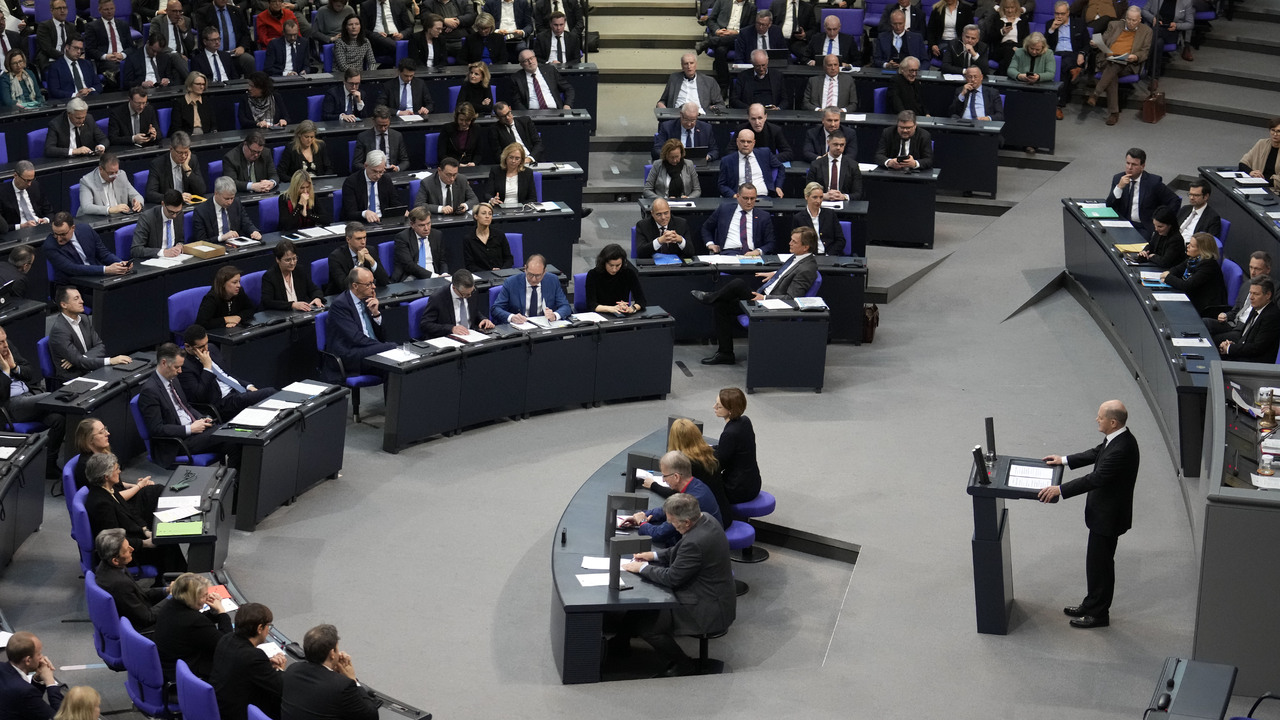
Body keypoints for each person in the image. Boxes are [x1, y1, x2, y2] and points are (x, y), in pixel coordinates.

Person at [1037, 400, 1140, 629]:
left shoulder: (1122, 448)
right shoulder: (1117, 438)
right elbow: (1096, 453)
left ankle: (1098, 614)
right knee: (1095, 563)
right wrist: (1064, 460)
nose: (1097, 419)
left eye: (1100, 417)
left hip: (1109, 518)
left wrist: (1060, 490)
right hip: (1102, 515)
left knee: (1101, 566)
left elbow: (1096, 478)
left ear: (1112, 422)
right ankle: (1091, 603)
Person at [619, 493, 736, 677]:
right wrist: (654, 556)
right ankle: (620, 644)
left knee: (649, 628)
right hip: (711, 592)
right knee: (641, 606)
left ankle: (683, 665)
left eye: (673, 522)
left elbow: (671, 578)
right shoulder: (706, 519)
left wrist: (641, 568)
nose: (672, 525)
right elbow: (680, 550)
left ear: (687, 522)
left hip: (706, 605)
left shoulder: (695, 541)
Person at [693, 227, 818, 364]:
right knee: (721, 306)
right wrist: (777, 275)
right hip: (764, 297)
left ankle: (709, 298)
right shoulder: (798, 257)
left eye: (794, 241)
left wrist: (763, 298)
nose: (789, 243)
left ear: (806, 247)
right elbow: (790, 272)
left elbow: (791, 299)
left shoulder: (807, 268)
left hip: (770, 307)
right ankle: (725, 354)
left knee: (738, 284)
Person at [83, 452, 184, 574]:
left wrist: (145, 530)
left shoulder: (109, 489)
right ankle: (175, 581)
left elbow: (131, 512)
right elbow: (114, 541)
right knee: (168, 545)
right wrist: (144, 543)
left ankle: (173, 579)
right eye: (116, 469)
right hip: (126, 552)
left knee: (167, 539)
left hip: (133, 537)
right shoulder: (101, 504)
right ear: (106, 476)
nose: (119, 472)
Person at [137, 344, 235, 467]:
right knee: (229, 434)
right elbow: (156, 429)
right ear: (163, 363)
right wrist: (190, 429)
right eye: (176, 367)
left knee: (234, 444)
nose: (180, 371)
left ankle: (235, 482)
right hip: (178, 442)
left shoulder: (173, 379)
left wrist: (201, 418)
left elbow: (186, 406)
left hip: (194, 432)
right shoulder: (150, 391)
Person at [0, 326, 66, 478]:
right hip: (10, 406)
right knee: (51, 397)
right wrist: (5, 372)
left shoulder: (8, 348)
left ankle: (48, 465)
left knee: (58, 420)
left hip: (29, 398)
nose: (5, 345)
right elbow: (1, 395)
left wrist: (15, 367)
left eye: (5, 339)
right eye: (1, 342)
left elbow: (30, 372)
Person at [623, 450, 724, 548]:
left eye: (664, 476)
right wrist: (645, 514)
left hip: (701, 551)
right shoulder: (695, 484)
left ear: (676, 477)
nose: (663, 479)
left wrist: (642, 522)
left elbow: (659, 534)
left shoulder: (689, 501)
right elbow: (667, 510)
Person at [281, 624, 379, 720]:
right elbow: (371, 716)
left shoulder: (292, 669)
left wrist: (333, 674)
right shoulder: (343, 686)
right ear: (332, 654)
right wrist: (353, 679)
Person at [210, 603, 285, 720]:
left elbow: (244, 668)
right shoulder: (253, 656)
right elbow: (280, 688)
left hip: (219, 707)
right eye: (268, 626)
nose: (268, 630)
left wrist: (266, 665)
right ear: (260, 628)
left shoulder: (226, 639)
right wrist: (279, 669)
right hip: (237, 714)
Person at [154, 572, 233, 680]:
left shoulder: (171, 604)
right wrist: (222, 613)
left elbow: (199, 626)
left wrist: (213, 612)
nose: (206, 598)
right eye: (204, 595)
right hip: (184, 670)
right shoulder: (194, 620)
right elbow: (226, 645)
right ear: (191, 597)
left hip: (167, 662)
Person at [48, 286, 133, 383]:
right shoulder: (59, 330)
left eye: (80, 297)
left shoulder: (84, 319)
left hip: (90, 369)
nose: (82, 301)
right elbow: (79, 362)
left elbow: (100, 346)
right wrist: (110, 361)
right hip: (73, 379)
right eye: (76, 299)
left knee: (124, 379)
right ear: (64, 305)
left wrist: (80, 358)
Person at [325, 267, 396, 375]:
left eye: (373, 282)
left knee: (393, 370)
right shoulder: (340, 305)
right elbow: (356, 339)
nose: (374, 287)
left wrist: (375, 314)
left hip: (368, 349)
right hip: (351, 353)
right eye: (369, 284)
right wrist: (380, 346)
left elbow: (383, 337)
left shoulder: (368, 300)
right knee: (392, 348)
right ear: (355, 286)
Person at [93, 528, 168, 631]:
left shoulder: (110, 565)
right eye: (126, 549)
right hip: (143, 630)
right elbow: (148, 618)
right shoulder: (119, 583)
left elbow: (139, 593)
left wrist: (166, 591)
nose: (132, 549)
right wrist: (173, 597)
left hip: (140, 613)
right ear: (115, 560)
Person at [1088, 6, 1150, 126]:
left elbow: (1145, 52)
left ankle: (1096, 94)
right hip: (1107, 59)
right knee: (1113, 67)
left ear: (1140, 19)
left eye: (1134, 20)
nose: (1130, 22)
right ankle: (1113, 113)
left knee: (1114, 66)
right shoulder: (1114, 25)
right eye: (1128, 19)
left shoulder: (1147, 31)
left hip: (1128, 63)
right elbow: (1104, 39)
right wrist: (1096, 43)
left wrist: (1135, 57)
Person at [1106, 148, 1179, 238]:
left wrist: (1164, 220)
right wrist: (1119, 187)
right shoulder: (1118, 179)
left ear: (1142, 166)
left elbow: (1174, 200)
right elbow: (1109, 205)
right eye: (1128, 163)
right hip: (1123, 224)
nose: (1129, 167)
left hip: (1144, 227)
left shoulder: (1153, 182)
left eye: (1134, 164)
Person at [43, 213, 130, 284]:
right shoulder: (50, 246)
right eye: (55, 234)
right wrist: (106, 270)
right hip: (71, 285)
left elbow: (103, 253)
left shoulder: (85, 230)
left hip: (96, 277)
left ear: (72, 228)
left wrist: (120, 263)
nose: (59, 238)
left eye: (63, 234)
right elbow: (72, 269)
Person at [711, 387, 762, 501]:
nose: (714, 407)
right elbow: (732, 449)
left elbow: (718, 466)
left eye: (718, 406)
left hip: (737, 489)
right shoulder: (745, 421)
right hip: (753, 483)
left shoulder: (729, 434)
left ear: (730, 410)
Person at [0, 632, 66, 719]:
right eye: (39, 654)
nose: (42, 658)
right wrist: (50, 683)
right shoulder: (24, 691)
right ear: (28, 660)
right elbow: (60, 717)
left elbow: (27, 702)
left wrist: (37, 679)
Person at [491, 254, 571, 324]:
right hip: (520, 329)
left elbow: (565, 306)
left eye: (538, 276)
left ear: (544, 272)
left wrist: (554, 315)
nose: (533, 279)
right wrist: (512, 317)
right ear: (525, 269)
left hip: (544, 328)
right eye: (530, 274)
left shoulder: (552, 280)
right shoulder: (511, 282)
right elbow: (496, 309)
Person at [1206, 251, 1270, 337]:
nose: (1253, 272)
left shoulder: (1273, 290)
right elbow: (1236, 310)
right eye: (1251, 267)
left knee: (1214, 340)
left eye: (1257, 269)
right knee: (1205, 323)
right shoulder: (1247, 284)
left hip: (1246, 330)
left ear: (1268, 270)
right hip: (1234, 324)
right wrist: (1226, 315)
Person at [1161, 233, 1225, 317]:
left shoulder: (1208, 265)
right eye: (1189, 244)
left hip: (1204, 307)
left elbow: (1186, 285)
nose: (1187, 247)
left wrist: (1168, 277)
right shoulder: (1193, 259)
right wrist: (1169, 274)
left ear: (1202, 250)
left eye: (1192, 246)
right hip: (1193, 296)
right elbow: (1176, 270)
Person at [1216, 277, 1280, 362]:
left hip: (1254, 364)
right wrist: (1231, 345)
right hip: (1246, 356)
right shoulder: (1256, 308)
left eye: (1256, 294)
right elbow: (1245, 338)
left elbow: (1257, 348)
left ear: (1268, 295)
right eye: (1250, 293)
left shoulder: (1271, 316)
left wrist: (1230, 348)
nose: (1251, 298)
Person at [701, 183, 775, 256]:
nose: (749, 202)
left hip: (752, 255)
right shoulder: (724, 209)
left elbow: (770, 243)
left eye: (752, 198)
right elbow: (706, 228)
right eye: (745, 198)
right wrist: (710, 244)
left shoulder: (763, 216)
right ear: (738, 196)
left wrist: (758, 251)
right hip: (729, 253)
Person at [418, 269, 495, 338]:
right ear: (454, 288)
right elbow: (426, 324)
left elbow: (473, 311)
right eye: (466, 294)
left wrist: (483, 319)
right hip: (449, 338)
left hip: (471, 336)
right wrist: (451, 328)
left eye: (471, 292)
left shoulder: (472, 291)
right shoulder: (438, 298)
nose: (470, 296)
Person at [1046, 1, 1087, 120]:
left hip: (1073, 54)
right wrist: (1052, 29)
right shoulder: (1050, 24)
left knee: (1063, 66)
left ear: (1068, 13)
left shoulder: (1079, 24)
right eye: (1057, 13)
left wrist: (1082, 53)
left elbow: (1086, 44)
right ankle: (1074, 70)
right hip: (1057, 54)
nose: (1059, 16)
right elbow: (1044, 44)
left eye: (1062, 14)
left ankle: (1058, 105)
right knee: (1063, 66)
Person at [195, 0, 256, 77]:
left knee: (248, 60)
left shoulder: (236, 11)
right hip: (216, 54)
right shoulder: (204, 12)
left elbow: (245, 33)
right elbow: (203, 36)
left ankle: (251, 87)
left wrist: (242, 47)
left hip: (235, 53)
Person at [718, 129, 783, 198]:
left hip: (763, 197)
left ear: (754, 143)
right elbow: (722, 185)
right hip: (740, 198)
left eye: (749, 142)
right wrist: (733, 195)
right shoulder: (727, 160)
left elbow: (781, 167)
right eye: (742, 141)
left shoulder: (765, 153)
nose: (745, 144)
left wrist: (778, 186)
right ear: (737, 142)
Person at [194, 177, 263, 243]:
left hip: (236, 245)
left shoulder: (236, 203)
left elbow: (246, 223)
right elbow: (201, 241)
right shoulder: (201, 211)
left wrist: (254, 231)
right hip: (215, 247)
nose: (230, 202)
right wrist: (222, 237)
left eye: (232, 198)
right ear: (216, 193)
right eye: (226, 199)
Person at [262, 240, 325, 312]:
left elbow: (314, 289)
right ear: (278, 260)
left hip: (302, 313)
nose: (292, 263)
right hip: (283, 314)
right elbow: (267, 302)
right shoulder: (270, 276)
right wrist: (292, 305)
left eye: (294, 258)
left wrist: (317, 298)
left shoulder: (299, 270)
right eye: (287, 260)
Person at [146, 132, 207, 205]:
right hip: (169, 207)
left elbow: (201, 190)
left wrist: (187, 169)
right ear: (171, 149)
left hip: (187, 206)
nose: (184, 156)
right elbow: (150, 194)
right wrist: (176, 198)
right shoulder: (158, 164)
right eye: (180, 153)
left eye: (186, 152)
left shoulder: (192, 160)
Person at [328, 223, 389, 294]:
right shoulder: (336, 257)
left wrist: (372, 262)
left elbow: (384, 281)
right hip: (342, 297)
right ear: (348, 240)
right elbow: (345, 287)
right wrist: (359, 263)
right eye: (359, 239)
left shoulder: (370, 250)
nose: (363, 242)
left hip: (366, 293)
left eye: (364, 237)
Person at [703, 0, 754, 85]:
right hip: (722, 36)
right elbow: (711, 20)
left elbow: (750, 28)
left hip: (739, 38)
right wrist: (717, 31)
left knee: (736, 38)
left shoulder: (751, 8)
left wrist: (735, 32)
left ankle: (709, 42)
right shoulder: (722, 1)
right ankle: (723, 84)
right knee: (720, 50)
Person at [585, 244, 646, 314]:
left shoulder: (629, 273)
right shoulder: (593, 274)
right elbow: (591, 305)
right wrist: (611, 308)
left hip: (621, 314)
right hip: (600, 315)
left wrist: (632, 308)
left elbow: (641, 301)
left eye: (618, 265)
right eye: (611, 265)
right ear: (604, 262)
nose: (614, 269)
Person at [77, 153, 143, 218]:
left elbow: (136, 195)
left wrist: (138, 203)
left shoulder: (121, 175)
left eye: (116, 172)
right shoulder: (87, 181)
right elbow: (87, 207)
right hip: (97, 220)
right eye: (111, 173)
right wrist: (109, 209)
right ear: (101, 169)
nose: (114, 176)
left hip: (118, 218)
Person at [340, 150, 395, 223]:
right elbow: (350, 213)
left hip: (383, 221)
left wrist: (402, 211)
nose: (378, 176)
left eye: (381, 172)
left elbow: (395, 203)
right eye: (375, 171)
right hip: (361, 222)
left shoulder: (386, 179)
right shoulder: (351, 182)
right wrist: (364, 213)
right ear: (366, 166)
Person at [656, 52, 723, 112]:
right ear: (682, 66)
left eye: (691, 63)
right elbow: (663, 100)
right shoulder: (674, 78)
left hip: (699, 116)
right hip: (677, 114)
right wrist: (660, 104)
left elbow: (720, 104)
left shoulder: (709, 81)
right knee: (666, 125)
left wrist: (712, 108)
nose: (689, 66)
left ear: (696, 65)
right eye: (686, 64)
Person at [394, 208, 448, 280]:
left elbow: (442, 261)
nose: (426, 228)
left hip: (435, 276)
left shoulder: (437, 235)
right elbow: (409, 265)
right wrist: (434, 276)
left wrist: (444, 274)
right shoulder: (403, 238)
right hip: (412, 277)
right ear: (412, 225)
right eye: (421, 225)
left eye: (428, 223)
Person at [805, 132, 862, 201]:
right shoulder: (816, 164)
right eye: (835, 144)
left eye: (842, 145)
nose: (838, 148)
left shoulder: (853, 165)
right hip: (821, 202)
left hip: (844, 204)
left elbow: (858, 193)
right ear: (828, 142)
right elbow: (808, 190)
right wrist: (823, 195)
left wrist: (844, 197)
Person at [131, 190, 186, 259]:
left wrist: (179, 245)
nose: (174, 216)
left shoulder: (180, 214)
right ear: (163, 204)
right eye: (171, 212)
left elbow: (180, 240)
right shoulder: (147, 218)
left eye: (177, 212)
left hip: (175, 259)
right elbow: (136, 250)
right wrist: (164, 252)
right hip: (155, 260)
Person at [653, 102, 718, 161]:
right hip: (674, 165)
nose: (689, 124)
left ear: (697, 116)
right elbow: (657, 150)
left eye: (692, 120)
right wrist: (670, 156)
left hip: (698, 167)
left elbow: (714, 151)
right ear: (681, 114)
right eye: (686, 120)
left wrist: (708, 156)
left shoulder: (706, 128)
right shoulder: (667, 127)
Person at [792, 181, 843, 254]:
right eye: (815, 197)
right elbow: (796, 242)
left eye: (821, 197)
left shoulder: (830, 214)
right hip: (809, 257)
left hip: (830, 255)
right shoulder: (798, 218)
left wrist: (829, 255)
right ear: (806, 197)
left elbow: (840, 240)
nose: (818, 201)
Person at [354, 106, 410, 171]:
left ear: (389, 120)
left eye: (385, 125)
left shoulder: (397, 136)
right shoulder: (363, 137)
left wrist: (397, 168)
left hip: (391, 173)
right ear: (373, 121)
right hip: (372, 173)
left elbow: (405, 161)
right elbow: (357, 163)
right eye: (380, 126)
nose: (383, 129)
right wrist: (371, 169)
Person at [1, 162, 52, 231]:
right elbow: (2, 227)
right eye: (26, 181)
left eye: (31, 180)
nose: (29, 184)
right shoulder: (2, 193)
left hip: (39, 227)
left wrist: (46, 220)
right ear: (16, 175)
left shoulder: (35, 186)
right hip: (18, 232)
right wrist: (22, 226)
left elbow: (49, 211)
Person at [983, 0, 1028, 74]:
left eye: (1012, 7)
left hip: (1017, 48)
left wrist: (1018, 48)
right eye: (1007, 8)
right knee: (1008, 50)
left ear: (1016, 8)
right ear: (1003, 8)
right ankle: (1011, 77)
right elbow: (989, 38)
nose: (1010, 11)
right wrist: (1002, 32)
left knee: (1005, 60)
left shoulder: (1023, 20)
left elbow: (1026, 39)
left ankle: (1000, 75)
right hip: (1000, 49)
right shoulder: (997, 18)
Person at [151, 1, 194, 75]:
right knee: (175, 56)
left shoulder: (186, 21)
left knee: (177, 73)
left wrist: (184, 30)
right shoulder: (158, 21)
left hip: (183, 58)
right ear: (167, 11)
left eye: (180, 11)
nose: (177, 14)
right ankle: (192, 80)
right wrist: (177, 54)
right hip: (164, 56)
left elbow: (191, 46)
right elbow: (155, 43)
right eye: (174, 11)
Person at [35, 0, 80, 71]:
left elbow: (76, 44)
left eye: (64, 8)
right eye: (59, 8)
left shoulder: (71, 26)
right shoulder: (44, 26)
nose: (62, 11)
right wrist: (66, 57)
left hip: (69, 60)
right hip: (51, 60)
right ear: (52, 10)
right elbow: (47, 49)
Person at [1239, 117, 1280, 191]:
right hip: (1256, 184)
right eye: (1272, 130)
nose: (1275, 134)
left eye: (1278, 131)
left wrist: (1261, 182)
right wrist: (1251, 172)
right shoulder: (1262, 143)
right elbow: (1243, 163)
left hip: (1274, 189)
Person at [171, 72, 217, 136]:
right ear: (190, 85)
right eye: (198, 84)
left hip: (206, 136)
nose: (202, 87)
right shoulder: (179, 103)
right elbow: (176, 128)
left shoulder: (206, 101)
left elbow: (213, 124)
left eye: (203, 84)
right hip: (186, 138)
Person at [442, 102, 486, 166]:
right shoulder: (447, 129)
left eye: (467, 120)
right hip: (451, 166)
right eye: (461, 120)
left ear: (472, 119)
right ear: (456, 118)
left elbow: (479, 153)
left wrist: (474, 163)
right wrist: (457, 164)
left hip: (471, 166)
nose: (464, 123)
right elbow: (442, 155)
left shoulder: (476, 129)